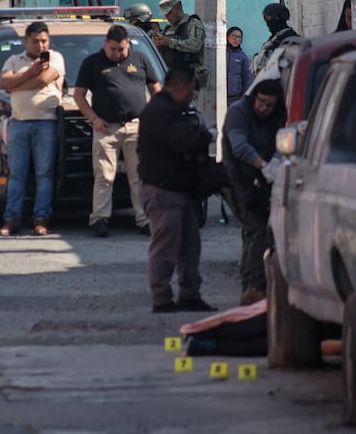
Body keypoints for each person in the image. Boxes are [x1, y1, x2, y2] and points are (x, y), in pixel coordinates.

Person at [138, 67, 217, 314]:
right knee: (165, 248)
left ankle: (189, 294)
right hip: (164, 190)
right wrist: (206, 136)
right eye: (191, 92)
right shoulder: (161, 112)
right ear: (181, 88)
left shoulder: (171, 110)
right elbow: (184, 140)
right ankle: (161, 299)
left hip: (178, 190)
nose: (191, 97)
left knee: (190, 246)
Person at [73, 24, 161, 238]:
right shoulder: (92, 63)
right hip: (106, 128)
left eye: (121, 49)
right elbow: (78, 95)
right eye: (112, 49)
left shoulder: (140, 59)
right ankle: (100, 219)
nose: (117, 53)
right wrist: (93, 119)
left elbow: (156, 90)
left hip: (136, 127)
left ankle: (144, 220)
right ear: (105, 44)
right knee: (104, 175)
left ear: (127, 44)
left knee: (139, 176)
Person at [221, 78, 286, 306]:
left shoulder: (276, 115)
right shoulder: (239, 112)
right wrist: (264, 166)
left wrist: (277, 161)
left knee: (254, 233)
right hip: (238, 181)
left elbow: (282, 141)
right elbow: (239, 146)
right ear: (254, 98)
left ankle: (251, 285)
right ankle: (254, 287)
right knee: (257, 231)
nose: (264, 108)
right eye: (261, 102)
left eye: (269, 105)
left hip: (259, 183)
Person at [0, 21, 65, 236]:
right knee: (16, 174)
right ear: (26, 41)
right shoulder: (14, 60)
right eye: (35, 41)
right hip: (18, 123)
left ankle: (41, 218)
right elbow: (2, 81)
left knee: (44, 174)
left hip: (46, 123)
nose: (41, 45)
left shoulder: (55, 58)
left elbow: (43, 80)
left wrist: (14, 85)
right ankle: (11, 219)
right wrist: (29, 72)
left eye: (44, 40)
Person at [152, 0, 207, 107]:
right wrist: (158, 43)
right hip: (171, 77)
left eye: (170, 13)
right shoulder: (168, 29)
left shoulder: (193, 23)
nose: (168, 17)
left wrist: (170, 42)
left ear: (179, 7)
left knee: (186, 108)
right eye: (165, 14)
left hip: (190, 76)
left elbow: (195, 45)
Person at [251, 3, 299, 75]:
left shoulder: (289, 38)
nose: (268, 21)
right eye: (266, 18)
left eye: (270, 18)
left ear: (280, 18)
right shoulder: (274, 38)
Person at [226, 26, 253, 106]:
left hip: (235, 98)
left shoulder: (242, 56)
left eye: (239, 37)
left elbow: (247, 77)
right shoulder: (220, 53)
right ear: (227, 37)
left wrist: (245, 96)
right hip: (219, 96)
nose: (236, 39)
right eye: (233, 36)